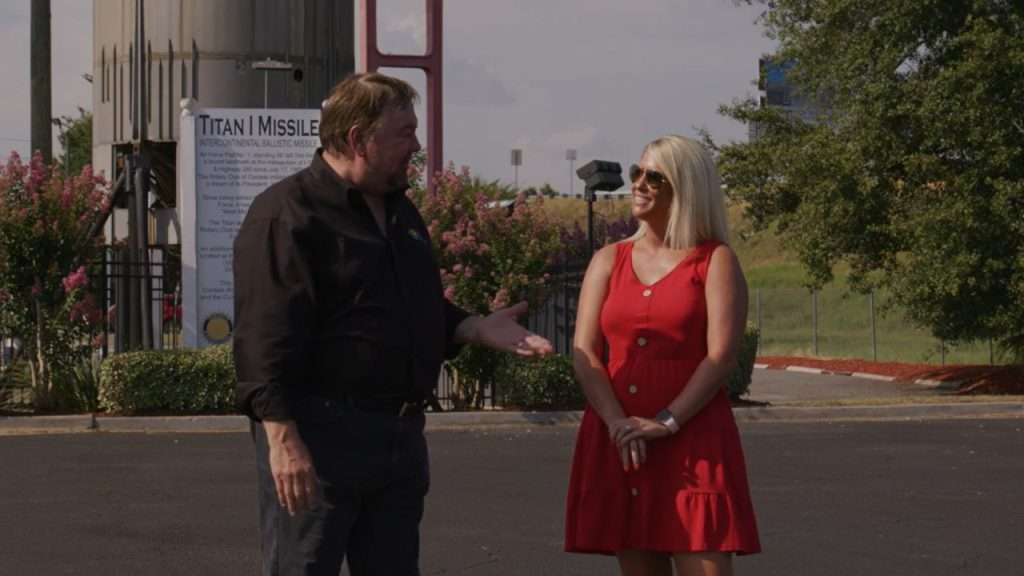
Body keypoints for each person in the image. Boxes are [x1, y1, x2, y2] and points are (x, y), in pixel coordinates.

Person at [233, 72, 552, 576]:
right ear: (358, 138)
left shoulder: (401, 213)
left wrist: (473, 327)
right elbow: (261, 337)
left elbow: (410, 308)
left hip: (397, 440)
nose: (417, 145)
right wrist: (282, 439)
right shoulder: (287, 215)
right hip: (320, 441)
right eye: (404, 133)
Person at [564, 135, 761, 575]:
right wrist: (618, 423)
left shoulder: (715, 260)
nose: (638, 183)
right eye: (637, 172)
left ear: (686, 188)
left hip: (694, 439)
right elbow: (585, 354)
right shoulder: (607, 260)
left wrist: (668, 421)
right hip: (624, 441)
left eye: (655, 176)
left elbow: (721, 356)